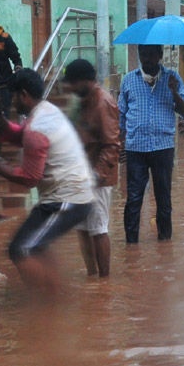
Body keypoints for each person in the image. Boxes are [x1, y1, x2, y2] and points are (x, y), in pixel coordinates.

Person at [0, 68, 93, 295]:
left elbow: (29, 178)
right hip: (67, 196)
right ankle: (53, 296)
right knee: (35, 245)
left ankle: (47, 305)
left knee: (21, 249)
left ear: (24, 94)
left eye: (14, 96)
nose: (13, 101)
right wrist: (0, 123)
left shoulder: (37, 126)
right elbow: (20, 135)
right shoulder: (46, 111)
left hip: (68, 199)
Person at [117, 44, 184, 243]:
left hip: (163, 148)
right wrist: (119, 141)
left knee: (163, 199)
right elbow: (121, 115)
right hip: (135, 149)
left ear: (159, 56)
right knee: (133, 199)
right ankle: (131, 246)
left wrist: (174, 92)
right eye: (143, 55)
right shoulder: (129, 80)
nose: (146, 59)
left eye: (151, 55)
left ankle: (165, 243)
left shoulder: (172, 79)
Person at [63, 58, 120, 278]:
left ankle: (104, 282)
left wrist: (97, 176)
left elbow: (112, 145)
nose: (70, 88)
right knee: (83, 230)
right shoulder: (82, 101)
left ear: (85, 81)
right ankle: (91, 276)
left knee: (98, 228)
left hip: (98, 178)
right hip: (80, 176)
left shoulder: (103, 102)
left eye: (73, 83)